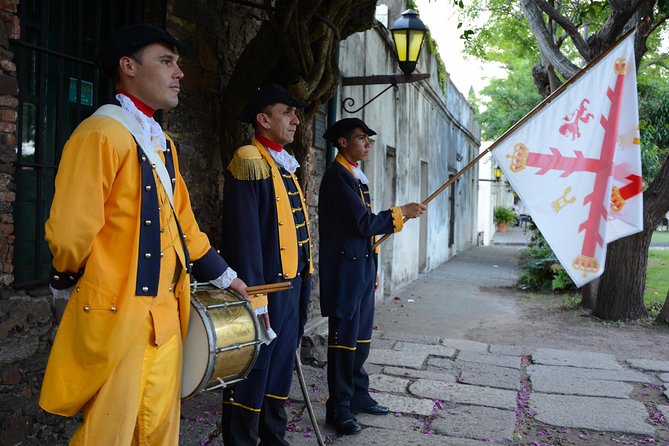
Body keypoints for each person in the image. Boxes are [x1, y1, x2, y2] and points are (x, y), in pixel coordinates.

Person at [39, 24, 248, 444]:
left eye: (178, 64)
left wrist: (227, 277)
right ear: (128, 67)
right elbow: (69, 233)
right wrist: (68, 280)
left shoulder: (162, 144)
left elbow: (185, 226)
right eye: (166, 62)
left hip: (167, 317)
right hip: (119, 315)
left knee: (158, 432)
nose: (179, 73)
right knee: (109, 433)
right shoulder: (99, 133)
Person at [319, 118, 426, 435]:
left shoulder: (355, 176)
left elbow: (362, 235)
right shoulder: (337, 177)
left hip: (361, 269)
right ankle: (337, 408)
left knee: (361, 340)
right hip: (344, 273)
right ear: (342, 142)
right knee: (343, 344)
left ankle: (358, 396)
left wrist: (372, 267)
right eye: (361, 138)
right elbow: (363, 224)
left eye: (368, 139)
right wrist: (400, 212)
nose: (367, 144)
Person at [220, 84, 313, 445]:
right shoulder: (249, 159)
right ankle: (242, 439)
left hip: (292, 285)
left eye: (295, 114)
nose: (295, 120)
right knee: (253, 369)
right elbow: (245, 239)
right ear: (263, 119)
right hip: (265, 289)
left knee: (279, 365)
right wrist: (255, 296)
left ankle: (273, 435)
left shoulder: (283, 164)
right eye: (286, 113)